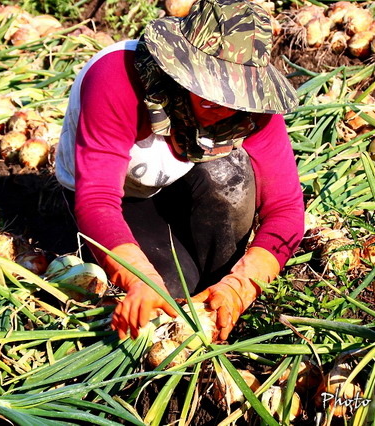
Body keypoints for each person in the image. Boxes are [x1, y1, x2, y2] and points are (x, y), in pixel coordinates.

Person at [55, 0, 305, 341]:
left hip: (178, 177)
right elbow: (97, 198)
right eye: (208, 90)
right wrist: (137, 276)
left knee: (230, 178)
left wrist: (241, 285)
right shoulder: (118, 79)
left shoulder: (252, 107)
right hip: (111, 193)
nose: (222, 106)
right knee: (170, 290)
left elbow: (286, 210)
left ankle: (215, 295)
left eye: (235, 95)